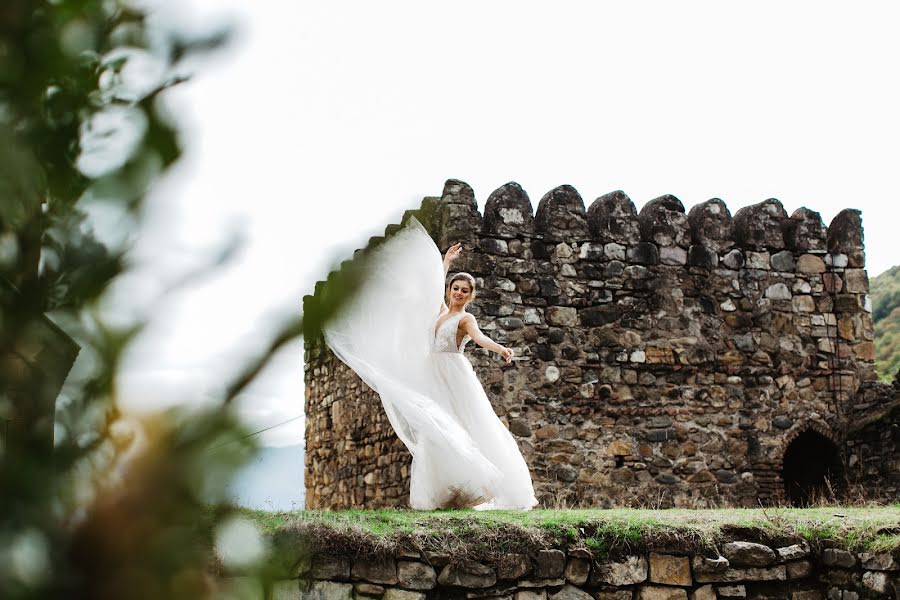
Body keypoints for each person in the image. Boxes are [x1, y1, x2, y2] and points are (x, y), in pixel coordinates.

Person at [323, 217, 537, 510]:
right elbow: (433, 290)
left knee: (465, 423)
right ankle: (451, 490)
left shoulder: (465, 318)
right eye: (455, 288)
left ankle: (484, 484)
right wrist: (445, 262)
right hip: (431, 372)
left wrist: (500, 349)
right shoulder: (440, 312)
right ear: (450, 290)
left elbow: (479, 338)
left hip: (453, 373)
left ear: (470, 296)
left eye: (464, 290)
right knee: (435, 428)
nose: (458, 293)